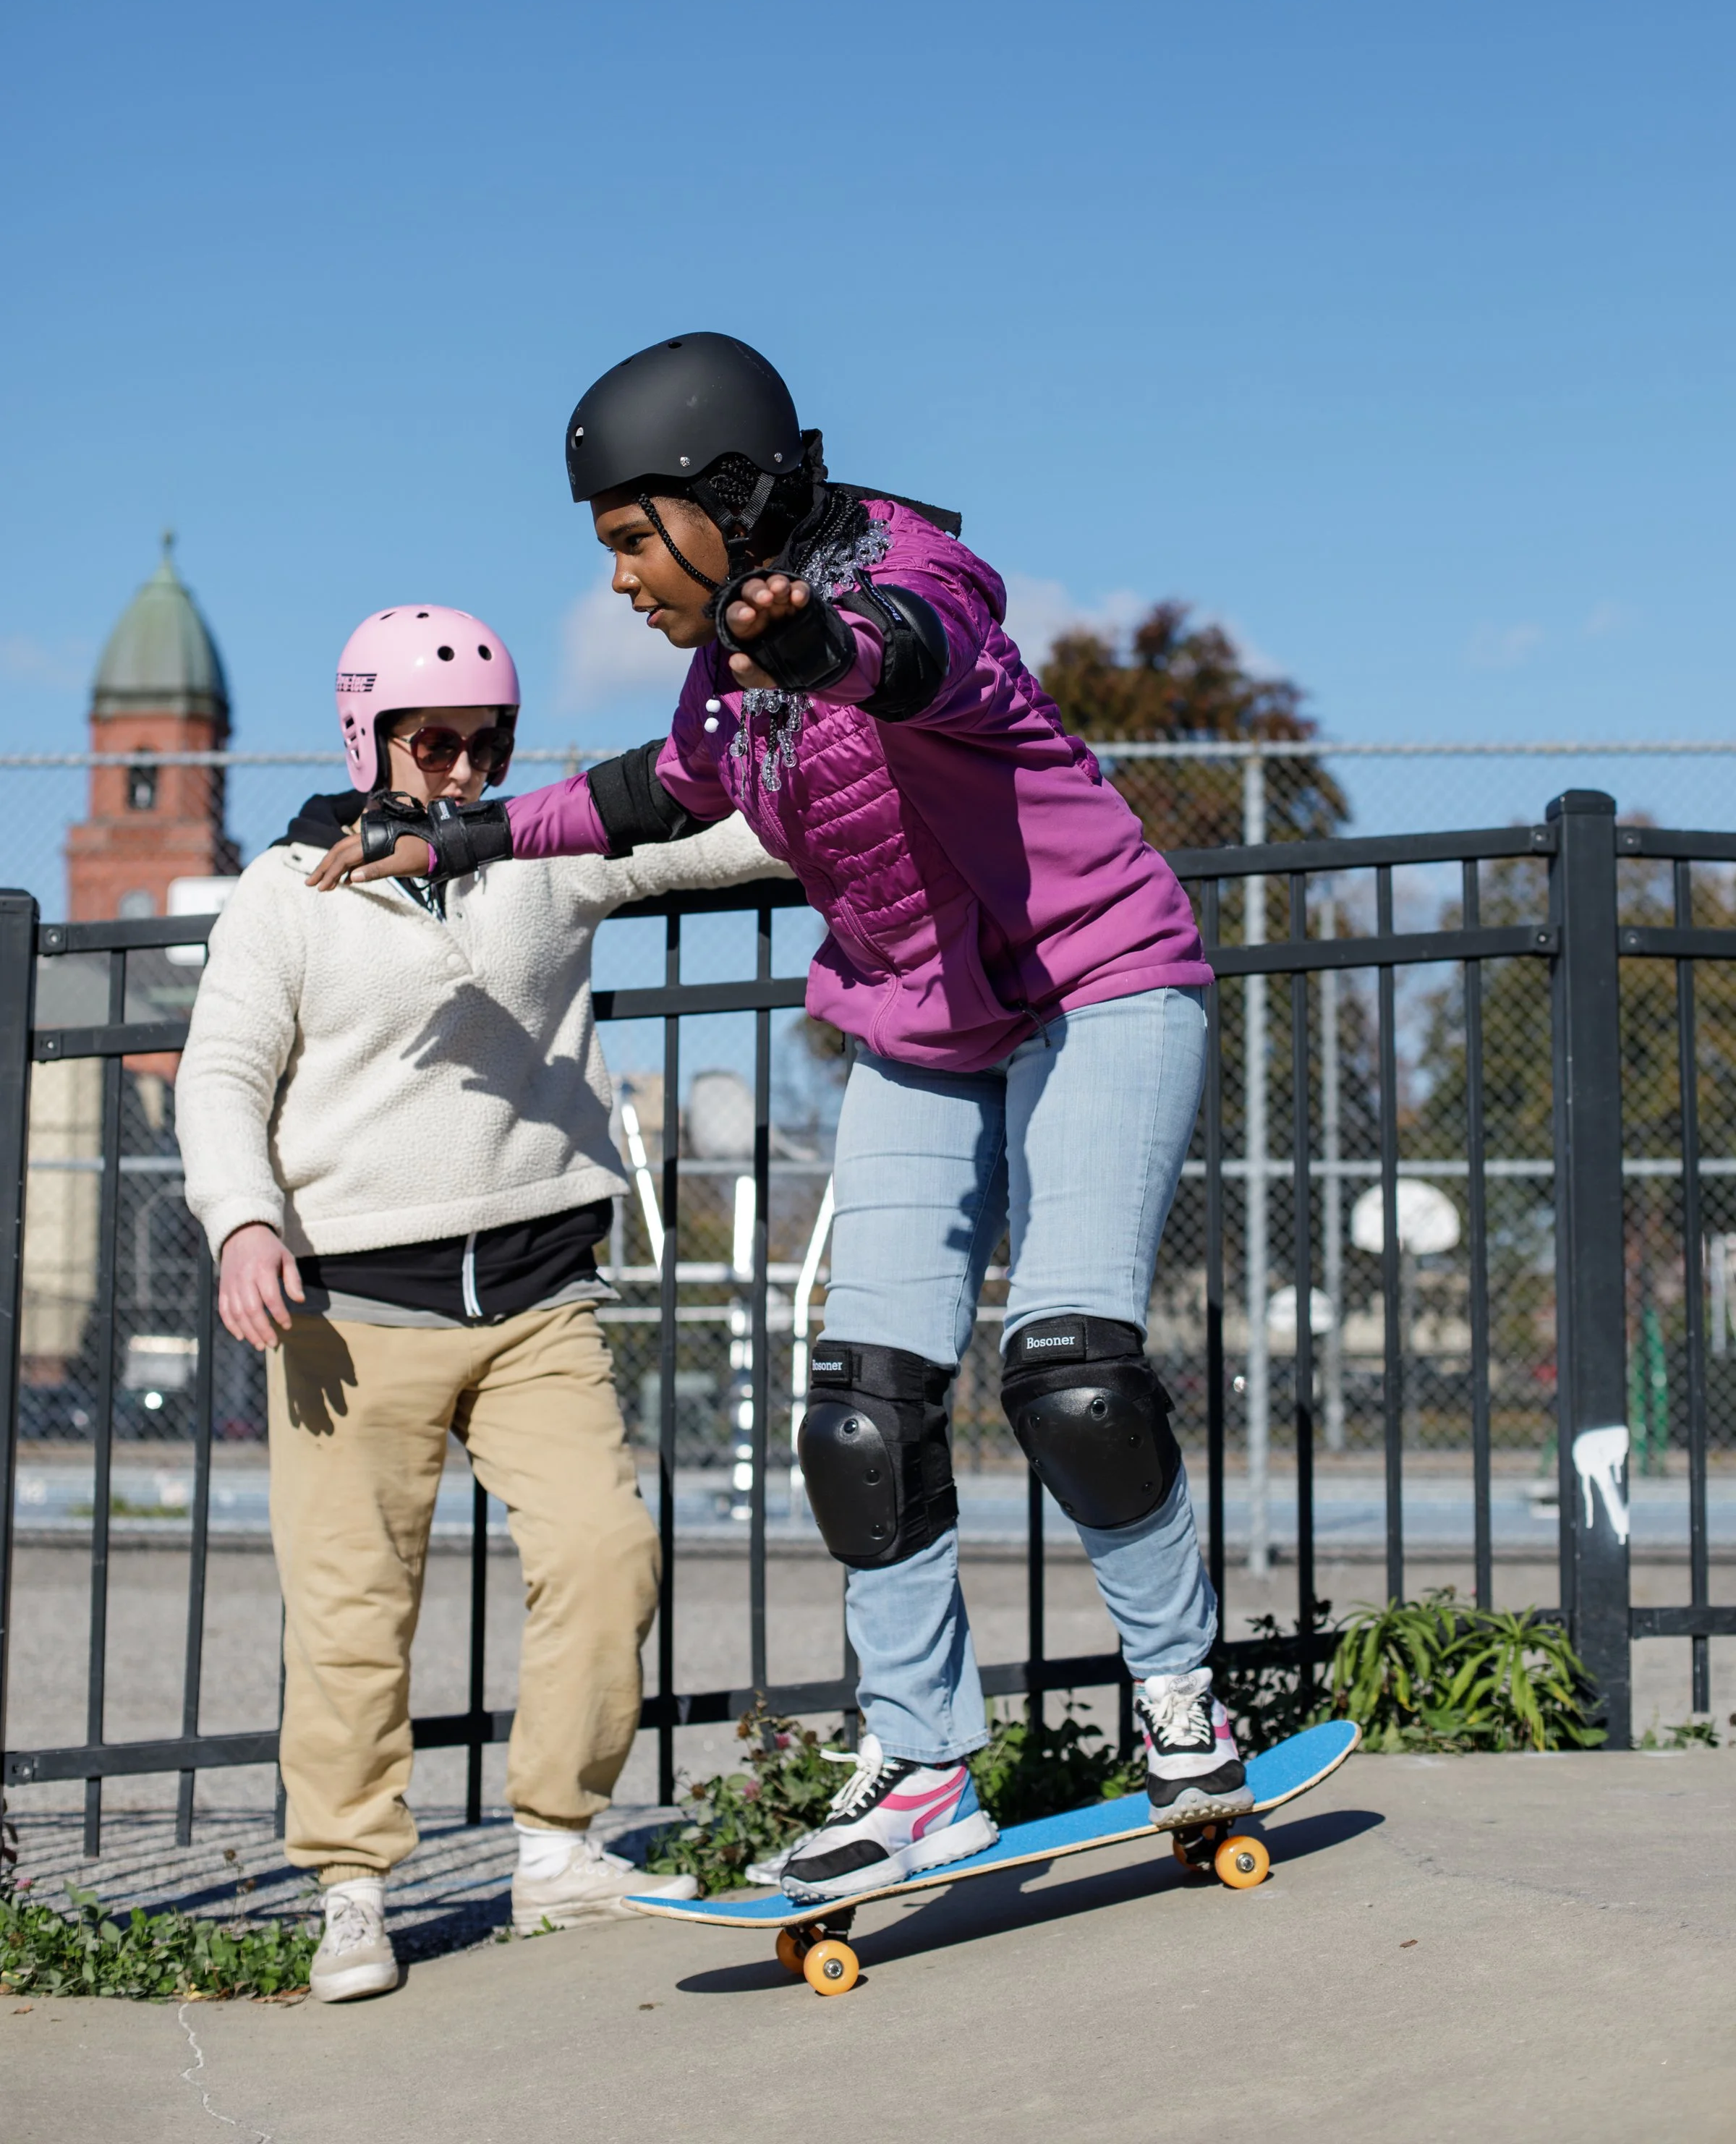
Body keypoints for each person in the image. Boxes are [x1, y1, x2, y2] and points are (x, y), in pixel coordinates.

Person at [313, 336, 1249, 1909]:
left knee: (1072, 1372)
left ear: (729, 501)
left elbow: (925, 655)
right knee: (862, 1413)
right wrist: (459, 833)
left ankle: (1180, 1693)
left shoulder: (904, 582)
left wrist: (825, 642)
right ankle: (924, 1764)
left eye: (630, 539)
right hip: (925, 1023)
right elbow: (652, 795)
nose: (617, 579)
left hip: (1101, 983)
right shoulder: (724, 681)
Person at [176, 602, 786, 1999]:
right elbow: (220, 1079)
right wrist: (244, 1223)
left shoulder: (543, 861)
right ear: (370, 735)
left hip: (536, 1293)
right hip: (349, 1308)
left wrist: (850, 750)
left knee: (605, 1549)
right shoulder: (285, 893)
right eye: (434, 743)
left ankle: (558, 1847)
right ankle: (350, 1888)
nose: (462, 772)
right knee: (351, 1606)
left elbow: (741, 836)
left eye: (487, 745)